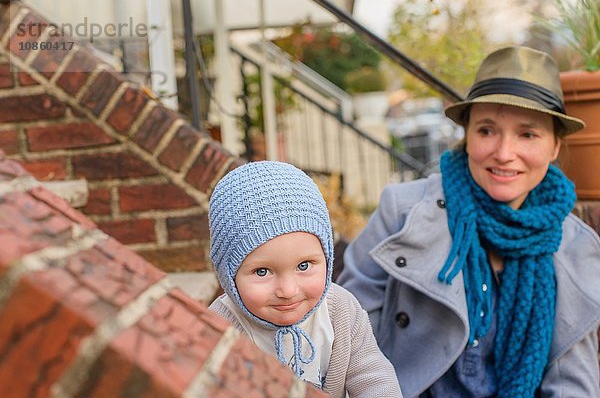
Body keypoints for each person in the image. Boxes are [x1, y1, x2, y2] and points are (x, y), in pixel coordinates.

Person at [338, 46, 600, 397]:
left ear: (555, 147)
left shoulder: (574, 245)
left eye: (528, 134)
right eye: (487, 130)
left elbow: (572, 381)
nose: (504, 153)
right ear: (467, 136)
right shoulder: (402, 211)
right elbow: (350, 331)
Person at [207, 161, 402, 398]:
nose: (288, 291)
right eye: (262, 272)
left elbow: (373, 378)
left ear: (326, 257)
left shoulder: (339, 309)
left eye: (303, 266)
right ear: (229, 275)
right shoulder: (220, 327)